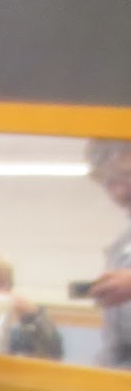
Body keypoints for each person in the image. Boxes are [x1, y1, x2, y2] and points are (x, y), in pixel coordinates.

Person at [87, 139, 131, 368]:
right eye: (109, 181)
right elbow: (118, 344)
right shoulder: (122, 241)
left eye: (127, 176)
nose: (120, 191)